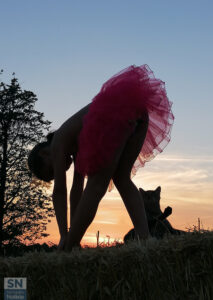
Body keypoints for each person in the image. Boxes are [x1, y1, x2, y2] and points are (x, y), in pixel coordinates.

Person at [27, 64, 174, 252]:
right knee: (121, 178)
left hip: (115, 112)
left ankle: (68, 249)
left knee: (96, 186)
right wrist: (70, 230)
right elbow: (76, 191)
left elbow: (60, 192)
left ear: (44, 153)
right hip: (137, 111)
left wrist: (65, 236)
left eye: (52, 170)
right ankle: (146, 240)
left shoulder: (58, 143)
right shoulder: (77, 147)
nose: (60, 171)